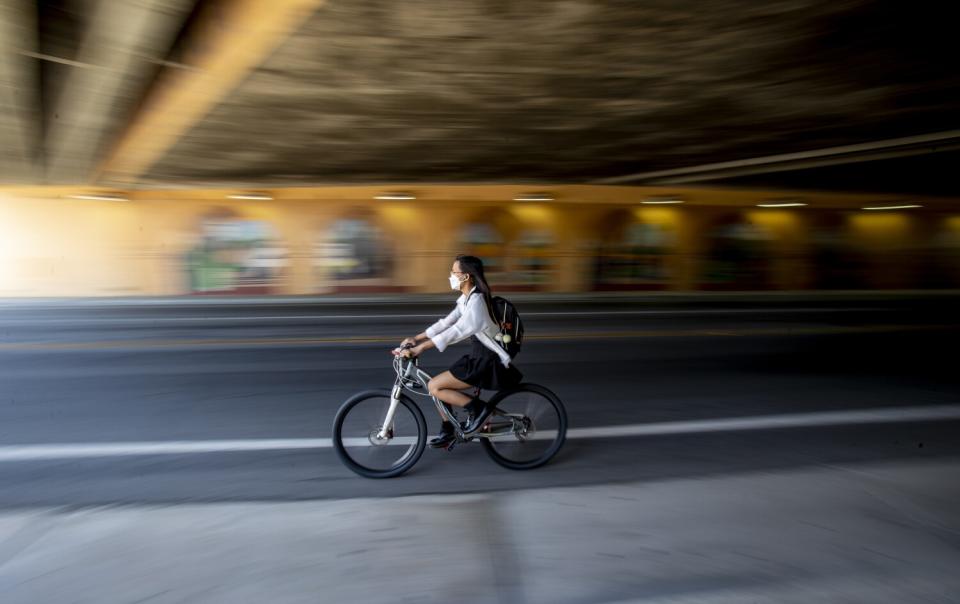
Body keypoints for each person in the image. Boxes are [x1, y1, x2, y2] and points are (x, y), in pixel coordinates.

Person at [395, 255, 522, 448]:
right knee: (437, 386)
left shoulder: (477, 302)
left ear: (467, 276)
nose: (451, 276)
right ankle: (448, 429)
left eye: (454, 272)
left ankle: (478, 410)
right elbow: (446, 323)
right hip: (477, 357)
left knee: (435, 386)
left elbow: (457, 331)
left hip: (487, 360)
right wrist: (417, 338)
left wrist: (421, 348)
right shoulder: (467, 298)